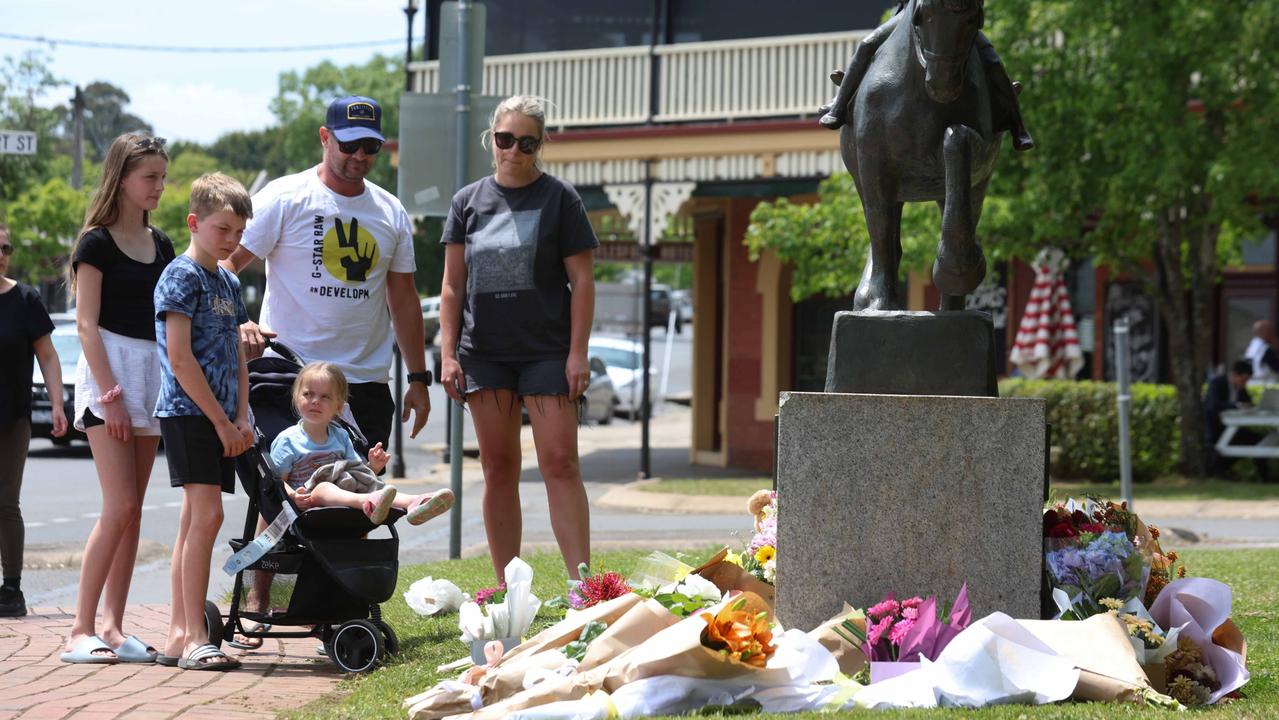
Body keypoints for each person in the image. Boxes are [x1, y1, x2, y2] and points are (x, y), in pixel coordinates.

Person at [439, 95, 599, 581]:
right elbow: (451, 286)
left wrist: (577, 354)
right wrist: (446, 355)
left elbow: (584, 282)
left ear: (541, 144)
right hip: (484, 355)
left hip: (547, 353)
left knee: (560, 464)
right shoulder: (467, 202)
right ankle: (507, 586)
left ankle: (583, 585)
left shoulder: (560, 199)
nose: (514, 151)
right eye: (506, 140)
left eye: (526, 143)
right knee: (499, 468)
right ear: (493, 138)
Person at [226, 96, 430, 452]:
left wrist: (418, 379)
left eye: (371, 146)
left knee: (363, 497)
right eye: (349, 144)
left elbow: (404, 299)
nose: (360, 155)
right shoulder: (285, 197)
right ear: (325, 137)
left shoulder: (390, 210)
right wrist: (241, 320)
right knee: (288, 496)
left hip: (364, 382)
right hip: (293, 376)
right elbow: (223, 264)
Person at [61, 134, 174, 664]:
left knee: (134, 512)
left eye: (162, 176)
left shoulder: (164, 244)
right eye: (149, 176)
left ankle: (112, 625)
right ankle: (79, 629)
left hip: (152, 374)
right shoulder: (96, 243)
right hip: (109, 374)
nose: (158, 186)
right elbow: (85, 325)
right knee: (120, 505)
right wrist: (109, 396)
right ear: (122, 178)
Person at [153, 173, 256, 671]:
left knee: (196, 520)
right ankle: (195, 635)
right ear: (194, 223)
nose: (232, 240)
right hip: (189, 413)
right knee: (208, 515)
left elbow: (237, 350)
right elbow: (179, 359)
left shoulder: (229, 280)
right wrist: (219, 421)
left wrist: (241, 415)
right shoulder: (180, 276)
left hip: (222, 418)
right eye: (222, 229)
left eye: (238, 231)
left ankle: (179, 635)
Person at [817, 0, 1034, 151]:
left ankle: (1017, 126)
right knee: (867, 45)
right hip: (913, 17)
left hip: (959, 23)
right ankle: (839, 106)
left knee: (992, 60)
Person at [269, 362, 454, 524]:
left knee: (375, 484)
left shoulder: (340, 436)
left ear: (339, 407)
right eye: (308, 394)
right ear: (296, 397)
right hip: (308, 502)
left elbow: (357, 473)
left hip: (345, 495)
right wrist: (293, 496)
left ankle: (414, 502)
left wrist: (372, 466)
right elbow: (276, 482)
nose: (315, 401)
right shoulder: (288, 440)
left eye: (325, 397)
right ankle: (372, 502)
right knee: (324, 488)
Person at [0, 224, 68, 617]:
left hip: (12, 418)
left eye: (6, 247)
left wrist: (57, 404)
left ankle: (11, 588)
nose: (2, 254)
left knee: (6, 503)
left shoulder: (24, 299)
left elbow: (48, 356)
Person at [1204, 360, 1267, 479]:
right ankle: (1218, 472)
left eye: (1247, 380)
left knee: (1259, 441)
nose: (1245, 383)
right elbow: (1213, 405)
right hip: (1215, 428)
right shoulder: (1217, 383)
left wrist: (1249, 407)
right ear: (1234, 375)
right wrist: (1236, 406)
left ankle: (1263, 477)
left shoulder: (1241, 388)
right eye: (1243, 380)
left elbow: (1248, 403)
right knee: (1226, 446)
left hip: (1232, 428)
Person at [1244, 320, 1279, 384]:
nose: (1273, 333)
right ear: (1262, 332)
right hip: (1266, 387)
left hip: (1252, 385)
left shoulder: (1251, 346)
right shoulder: (1265, 348)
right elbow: (1276, 367)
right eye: (1270, 330)